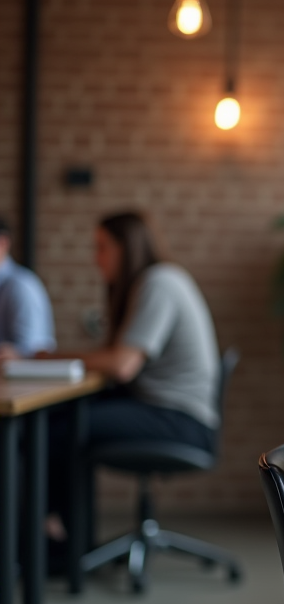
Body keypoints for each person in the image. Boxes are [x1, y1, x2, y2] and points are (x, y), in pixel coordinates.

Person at [43, 211, 220, 543]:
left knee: (61, 430)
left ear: (126, 248)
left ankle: (59, 540)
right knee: (60, 419)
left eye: (102, 248)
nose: (96, 259)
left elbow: (123, 365)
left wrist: (46, 357)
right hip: (163, 408)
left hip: (179, 420)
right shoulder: (154, 281)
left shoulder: (159, 282)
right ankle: (65, 538)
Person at [0, 215, 56, 360]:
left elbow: (35, 352)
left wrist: (13, 353)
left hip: (25, 381)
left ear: (3, 242)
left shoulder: (20, 286)